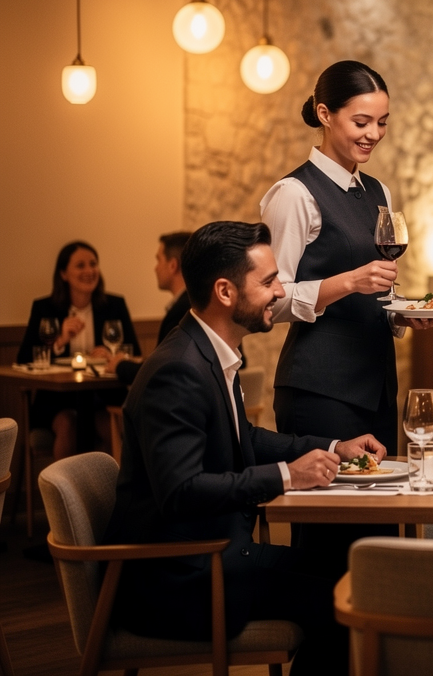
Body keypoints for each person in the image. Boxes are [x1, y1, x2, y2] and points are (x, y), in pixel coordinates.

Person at [104, 220, 386, 675]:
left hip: (213, 556)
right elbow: (180, 492)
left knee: (348, 571)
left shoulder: (211, 352)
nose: (279, 291)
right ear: (225, 291)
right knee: (343, 598)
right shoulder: (177, 371)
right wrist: (288, 476)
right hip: (177, 580)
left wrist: (336, 444)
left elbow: (245, 439)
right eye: (269, 281)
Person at [259, 60, 433, 562]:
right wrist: (347, 282)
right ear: (324, 114)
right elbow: (271, 300)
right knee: (330, 545)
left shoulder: (375, 191)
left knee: (376, 538)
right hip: (319, 390)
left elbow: (371, 296)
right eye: (362, 122)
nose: (373, 134)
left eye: (382, 122)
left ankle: (371, 641)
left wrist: (401, 315)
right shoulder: (293, 195)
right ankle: (321, 641)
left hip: (376, 385)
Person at [16, 241, 140, 458]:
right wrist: (59, 341)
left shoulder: (114, 305)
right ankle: (66, 492)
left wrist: (112, 356)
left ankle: (115, 490)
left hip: (103, 395)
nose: (89, 271)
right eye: (80, 265)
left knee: (110, 423)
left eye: (93, 264)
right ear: (63, 274)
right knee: (68, 424)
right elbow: (23, 359)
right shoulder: (45, 308)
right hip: (57, 399)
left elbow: (133, 352)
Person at [112, 230, 192, 385]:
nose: (156, 268)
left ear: (173, 265)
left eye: (158, 260)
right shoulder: (209, 305)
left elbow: (160, 373)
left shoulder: (183, 312)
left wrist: (119, 365)